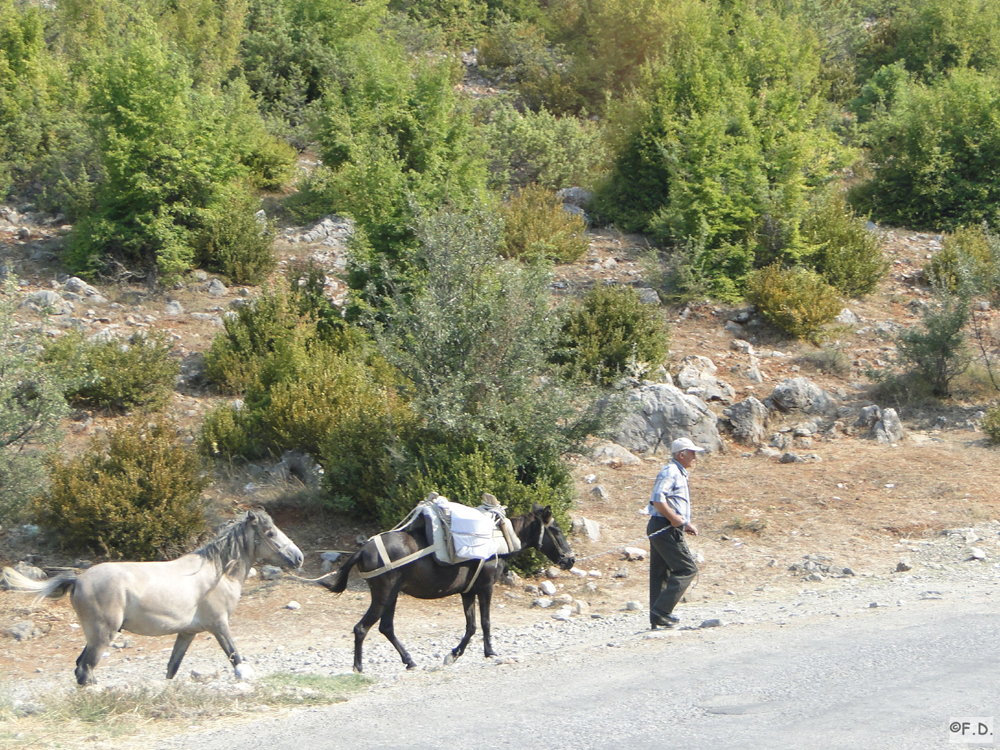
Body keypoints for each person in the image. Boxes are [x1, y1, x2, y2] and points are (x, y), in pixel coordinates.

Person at [646, 437, 704, 629]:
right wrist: (673, 519)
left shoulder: (678, 472)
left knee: (661, 573)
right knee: (687, 569)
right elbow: (657, 499)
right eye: (692, 453)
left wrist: (685, 523)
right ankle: (661, 611)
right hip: (665, 526)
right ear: (682, 454)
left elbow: (670, 501)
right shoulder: (671, 471)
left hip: (663, 525)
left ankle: (658, 618)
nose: (695, 457)